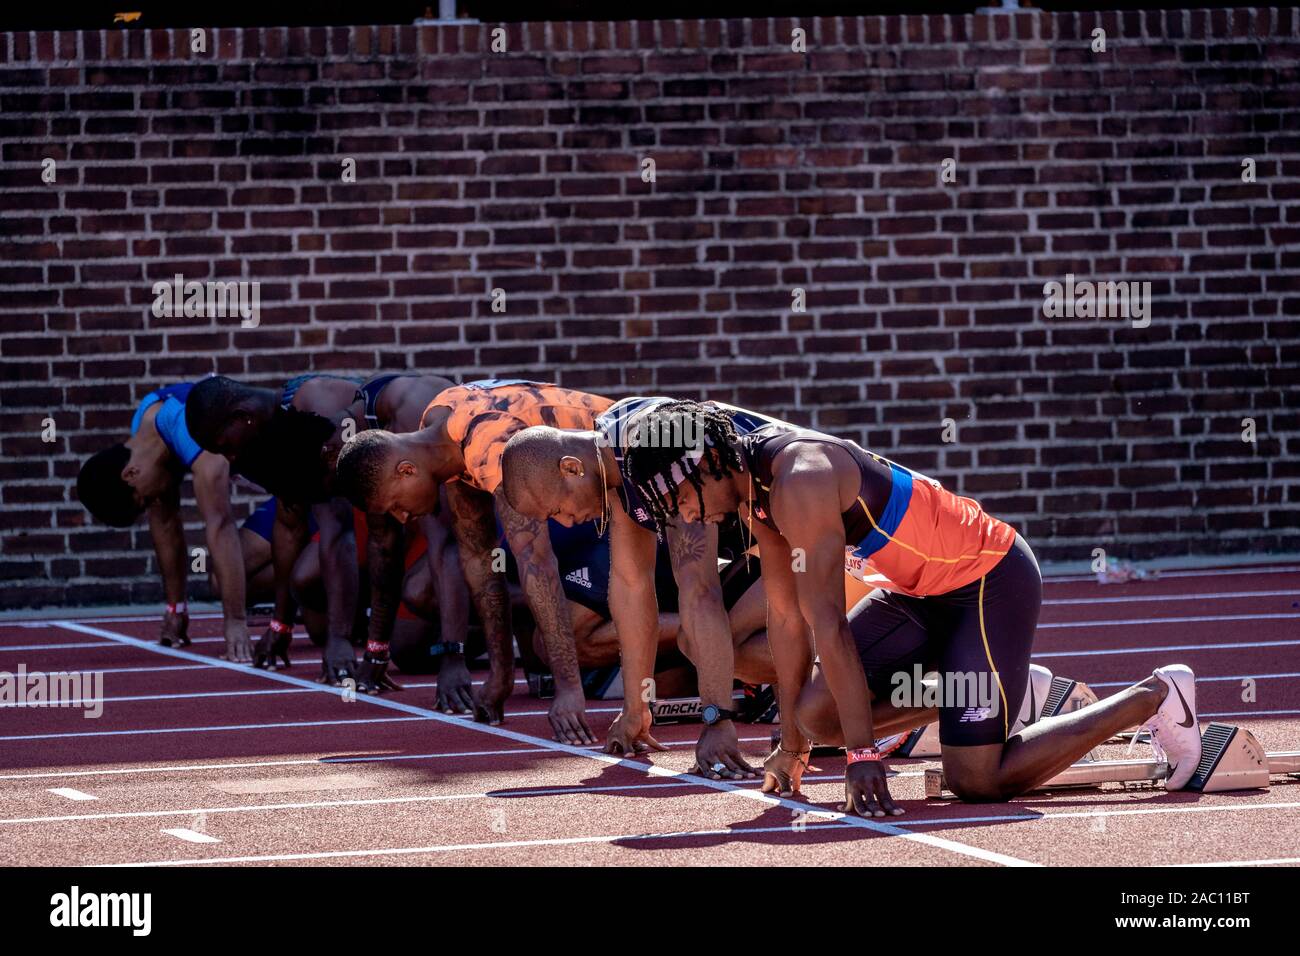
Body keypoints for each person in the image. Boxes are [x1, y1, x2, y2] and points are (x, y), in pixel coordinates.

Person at [619, 400, 1203, 814]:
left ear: (702, 467)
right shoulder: (755, 490)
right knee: (813, 716)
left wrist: (863, 753)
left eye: (675, 502)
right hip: (917, 593)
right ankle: (992, 697)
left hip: (986, 578)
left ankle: (1156, 696)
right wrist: (792, 746)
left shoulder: (799, 479)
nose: (681, 519)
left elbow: (828, 628)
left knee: (975, 781)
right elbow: (786, 616)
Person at [499, 396, 781, 779]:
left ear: (571, 468)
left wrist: (717, 721)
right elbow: (632, 587)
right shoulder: (614, 456)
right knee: (700, 643)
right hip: (780, 543)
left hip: (836, 537)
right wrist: (636, 707)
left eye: (556, 510)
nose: (566, 523)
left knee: (706, 638)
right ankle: (828, 694)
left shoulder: (659, 446)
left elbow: (700, 590)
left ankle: (864, 690)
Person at [335, 379, 614, 742]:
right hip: (592, 501)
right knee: (538, 645)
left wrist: (568, 690)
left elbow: (537, 562)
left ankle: (697, 631)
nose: (403, 518)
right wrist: (500, 673)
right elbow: (481, 560)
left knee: (565, 644)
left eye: (396, 506)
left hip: (642, 478)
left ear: (406, 470)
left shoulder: (490, 443)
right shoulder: (441, 423)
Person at [184, 372, 384, 685]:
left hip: (418, 510)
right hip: (377, 517)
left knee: (410, 646)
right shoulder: (265, 435)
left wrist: (340, 639)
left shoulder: (314, 405)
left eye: (226, 447)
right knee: (314, 613)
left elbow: (339, 526)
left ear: (242, 417)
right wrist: (281, 623)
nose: (231, 458)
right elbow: (289, 525)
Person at [76, 382, 254, 662]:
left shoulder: (191, 429)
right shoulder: (146, 428)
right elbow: (166, 524)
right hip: (283, 496)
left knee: (278, 580)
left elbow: (220, 524)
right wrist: (175, 608)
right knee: (224, 582)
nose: (150, 503)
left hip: (308, 478)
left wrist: (235, 621)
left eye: (142, 501)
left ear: (130, 474)